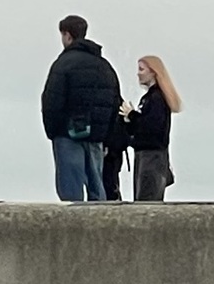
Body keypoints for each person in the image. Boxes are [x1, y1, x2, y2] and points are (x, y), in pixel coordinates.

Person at [40, 15, 124, 200]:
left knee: (71, 189)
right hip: (96, 136)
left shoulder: (63, 64)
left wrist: (53, 131)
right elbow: (115, 103)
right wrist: (107, 135)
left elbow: (51, 101)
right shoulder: (104, 66)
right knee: (97, 185)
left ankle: (71, 228)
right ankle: (99, 226)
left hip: (67, 134)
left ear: (67, 35)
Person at [129, 55, 183, 201]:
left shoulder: (156, 99)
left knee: (147, 201)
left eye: (142, 69)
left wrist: (132, 116)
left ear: (153, 72)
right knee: (144, 199)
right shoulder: (150, 98)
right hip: (147, 155)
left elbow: (152, 128)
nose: (138, 73)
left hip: (152, 156)